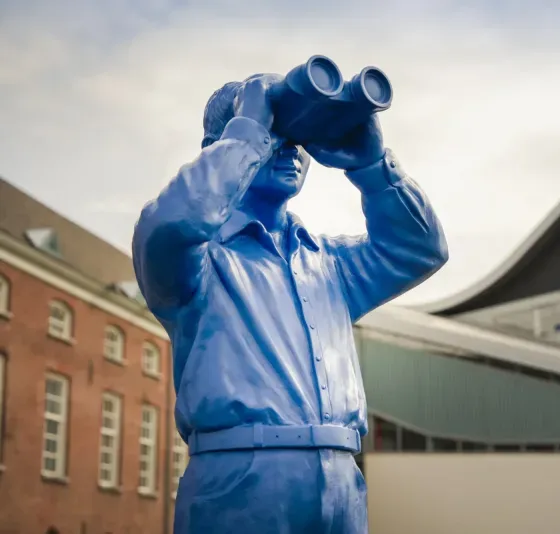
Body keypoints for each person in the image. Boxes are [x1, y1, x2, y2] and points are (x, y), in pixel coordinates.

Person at [131, 72, 448, 533]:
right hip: (241, 481)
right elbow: (170, 224)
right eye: (273, 131)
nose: (288, 148)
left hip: (342, 480)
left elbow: (420, 249)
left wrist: (373, 166)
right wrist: (247, 136)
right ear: (218, 145)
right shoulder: (196, 261)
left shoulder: (330, 264)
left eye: (296, 134)